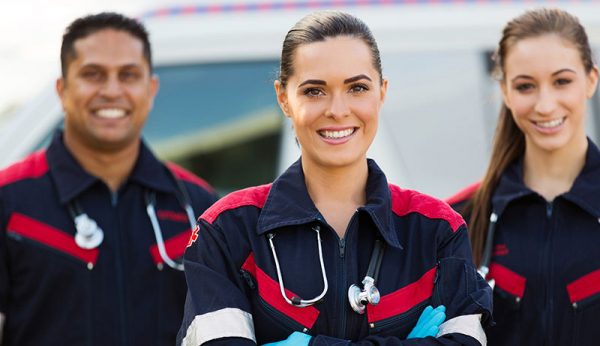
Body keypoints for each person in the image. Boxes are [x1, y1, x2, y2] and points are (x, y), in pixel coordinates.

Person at [178, 11, 491, 346]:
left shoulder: (436, 230)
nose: (338, 110)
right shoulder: (228, 230)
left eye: (357, 88)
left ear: (381, 92)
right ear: (284, 98)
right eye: (314, 91)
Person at [0, 12, 217, 345]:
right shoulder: (9, 200)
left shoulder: (199, 207)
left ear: (151, 88)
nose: (112, 90)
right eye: (93, 74)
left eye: (128, 75)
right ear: (62, 88)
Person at [446, 8, 600, 345]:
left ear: (591, 79)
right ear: (505, 91)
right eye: (526, 86)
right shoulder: (459, 219)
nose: (545, 105)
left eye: (562, 81)